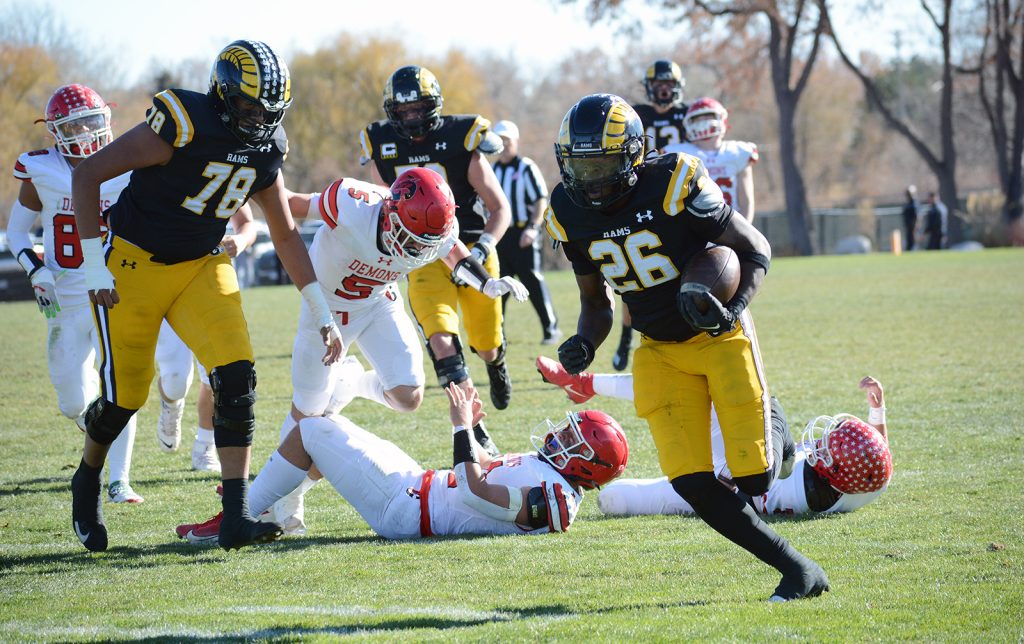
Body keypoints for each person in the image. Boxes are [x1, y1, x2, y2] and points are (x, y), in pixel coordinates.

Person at [545, 93, 827, 602]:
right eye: (581, 166)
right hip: (658, 347)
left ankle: (777, 427)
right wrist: (584, 342)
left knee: (759, 480)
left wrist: (733, 309)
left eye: (604, 163)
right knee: (692, 483)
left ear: (633, 154)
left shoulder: (673, 179)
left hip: (717, 336)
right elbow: (596, 302)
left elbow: (755, 249)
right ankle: (798, 570)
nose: (591, 178)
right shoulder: (567, 210)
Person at [69, 40, 343, 553]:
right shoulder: (184, 120)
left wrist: (321, 311)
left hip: (201, 264)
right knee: (125, 396)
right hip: (133, 264)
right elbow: (87, 175)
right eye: (248, 106)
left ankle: (235, 516)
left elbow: (283, 234)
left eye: (270, 111)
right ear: (222, 92)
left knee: (236, 375)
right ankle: (86, 478)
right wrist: (90, 267)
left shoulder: (267, 147)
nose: (259, 119)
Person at [258, 167, 527, 534]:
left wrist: (487, 283)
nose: (419, 250)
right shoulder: (353, 203)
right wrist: (249, 193)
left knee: (408, 395)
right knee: (307, 413)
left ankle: (350, 383)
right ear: (390, 214)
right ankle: (288, 500)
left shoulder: (432, 227)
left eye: (426, 242)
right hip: (327, 306)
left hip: (377, 302)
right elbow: (290, 207)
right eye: (413, 239)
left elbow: (453, 252)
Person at [175, 383, 629, 543]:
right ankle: (273, 510)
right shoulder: (551, 478)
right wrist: (472, 427)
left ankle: (237, 516)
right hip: (417, 486)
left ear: (588, 466)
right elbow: (488, 468)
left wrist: (457, 429)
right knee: (325, 426)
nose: (560, 435)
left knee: (313, 431)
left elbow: (475, 490)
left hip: (408, 509)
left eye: (573, 439)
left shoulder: (556, 501)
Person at [359, 66, 514, 450]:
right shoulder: (380, 142)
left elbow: (500, 208)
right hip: (422, 259)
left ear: (435, 105)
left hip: (472, 249)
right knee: (441, 342)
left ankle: (495, 363)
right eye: (404, 110)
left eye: (419, 108)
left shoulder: (461, 135)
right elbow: (382, 206)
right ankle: (476, 431)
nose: (412, 117)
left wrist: (484, 247)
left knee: (486, 343)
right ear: (393, 111)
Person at [8, 84, 143, 504]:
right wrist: (36, 269)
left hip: (114, 289)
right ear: (55, 131)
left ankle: (120, 479)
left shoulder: (127, 165)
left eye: (92, 121)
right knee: (72, 402)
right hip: (65, 292)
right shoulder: (41, 168)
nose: (85, 131)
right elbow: (16, 232)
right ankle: (97, 437)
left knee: (117, 385)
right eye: (74, 125)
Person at [535, 359, 893, 517]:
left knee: (615, 498)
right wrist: (877, 414)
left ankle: (584, 384)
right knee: (618, 498)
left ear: (829, 472)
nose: (822, 442)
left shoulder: (798, 483)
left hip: (728, 475)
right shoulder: (864, 483)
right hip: (739, 473)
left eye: (827, 449)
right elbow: (878, 458)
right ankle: (583, 384)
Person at [490, 120, 561, 344]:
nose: (504, 145)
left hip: (524, 234)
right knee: (499, 284)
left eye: (507, 140)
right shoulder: (492, 170)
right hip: (502, 236)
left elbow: (541, 199)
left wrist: (532, 228)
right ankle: (497, 333)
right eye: (499, 140)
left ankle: (551, 328)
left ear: (516, 141)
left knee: (533, 282)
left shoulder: (526, 167)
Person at [666, 97, 758, 221]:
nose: (704, 124)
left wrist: (744, 230)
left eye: (708, 117)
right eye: (698, 120)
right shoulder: (680, 154)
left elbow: (746, 201)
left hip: (730, 223)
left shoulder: (737, 152)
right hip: (695, 225)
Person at [901, 185, 919, 251]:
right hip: (908, 226)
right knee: (909, 241)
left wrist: (915, 226)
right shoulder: (908, 203)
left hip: (912, 226)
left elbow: (917, 215)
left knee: (913, 241)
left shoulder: (914, 203)